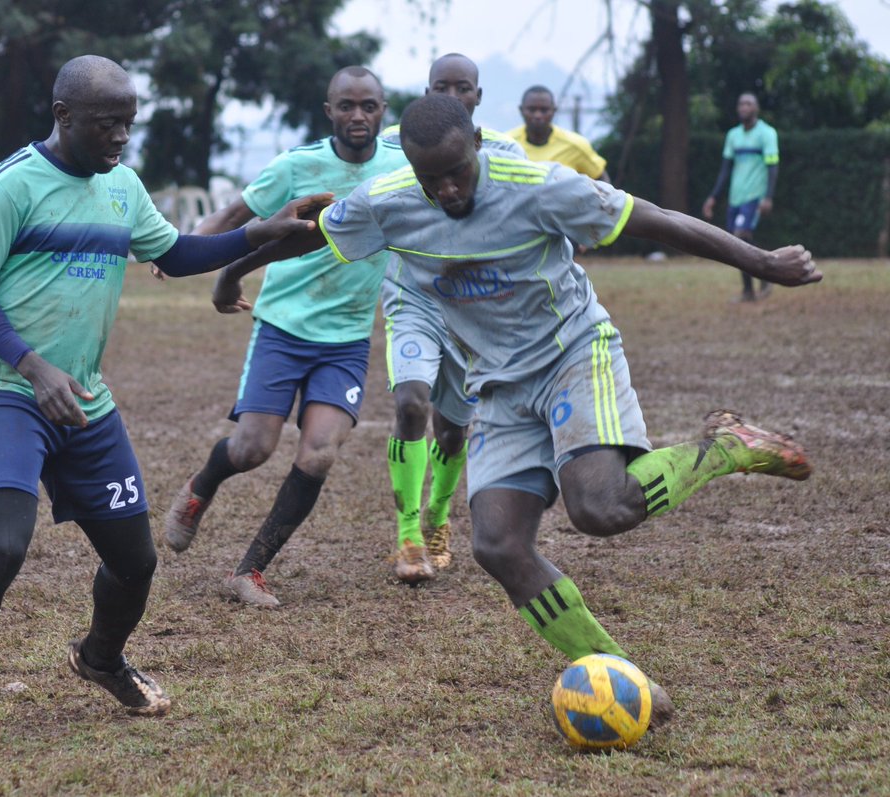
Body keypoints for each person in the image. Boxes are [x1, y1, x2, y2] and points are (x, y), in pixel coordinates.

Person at [216, 92, 821, 719]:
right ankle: (626, 682)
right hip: (498, 383)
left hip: (571, 354)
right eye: (431, 179)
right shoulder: (390, 200)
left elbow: (656, 220)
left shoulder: (538, 186)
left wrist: (761, 261)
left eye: (457, 171)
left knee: (601, 507)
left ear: (478, 142)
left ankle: (724, 447)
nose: (447, 190)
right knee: (499, 546)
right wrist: (235, 270)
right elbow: (312, 234)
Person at [0, 54, 330, 746]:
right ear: (63, 116)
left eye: (129, 125)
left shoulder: (122, 187)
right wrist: (33, 366)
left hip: (86, 400)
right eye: (108, 124)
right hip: (5, 388)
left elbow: (172, 253)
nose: (121, 138)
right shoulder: (7, 188)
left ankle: (101, 658)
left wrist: (259, 232)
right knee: (5, 545)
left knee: (136, 560)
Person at [162, 66, 408, 608]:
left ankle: (249, 571)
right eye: (347, 105)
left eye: (369, 105)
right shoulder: (297, 165)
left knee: (319, 454)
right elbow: (235, 212)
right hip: (282, 326)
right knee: (252, 449)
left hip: (346, 338)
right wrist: (179, 251)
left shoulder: (401, 168)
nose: (358, 115)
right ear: (329, 111)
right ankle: (202, 486)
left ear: (383, 110)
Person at [379, 53, 526, 584]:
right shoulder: (393, 146)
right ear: (425, 91)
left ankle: (439, 518)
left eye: (461, 87)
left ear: (478, 98)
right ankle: (409, 536)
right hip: (411, 298)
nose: (451, 95)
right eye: (440, 86)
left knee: (454, 428)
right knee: (411, 404)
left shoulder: (504, 152)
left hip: (470, 309)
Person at [702, 92, 780, 302]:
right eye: (741, 103)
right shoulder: (733, 136)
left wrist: (768, 197)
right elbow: (725, 170)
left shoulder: (767, 134)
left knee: (740, 237)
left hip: (755, 196)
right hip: (736, 197)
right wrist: (713, 197)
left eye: (748, 103)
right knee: (737, 243)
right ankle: (760, 278)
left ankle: (754, 285)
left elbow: (773, 167)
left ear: (756, 108)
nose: (744, 107)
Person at [509, 85, 610, 182]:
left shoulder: (575, 145)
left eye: (544, 110)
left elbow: (601, 179)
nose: (538, 115)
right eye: (532, 109)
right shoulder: (507, 144)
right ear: (521, 110)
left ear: (554, 110)